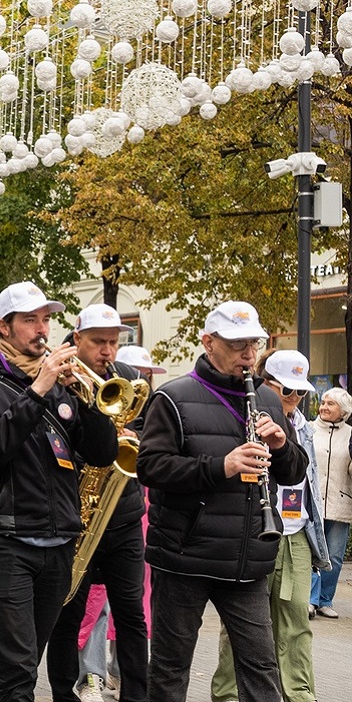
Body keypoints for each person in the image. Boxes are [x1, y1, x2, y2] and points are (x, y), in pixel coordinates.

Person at [137, 301, 306, 702]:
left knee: (261, 668)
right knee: (170, 667)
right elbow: (152, 468)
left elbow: (294, 473)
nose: (248, 354)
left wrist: (281, 448)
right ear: (208, 342)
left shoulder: (266, 399)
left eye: (253, 344)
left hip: (247, 559)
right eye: (237, 345)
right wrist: (220, 467)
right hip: (185, 557)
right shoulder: (173, 397)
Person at [0, 281, 118, 702]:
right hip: (7, 542)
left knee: (19, 670)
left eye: (46, 319)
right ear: (3, 328)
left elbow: (102, 453)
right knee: (20, 668)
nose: (42, 328)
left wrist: (90, 398)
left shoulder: (63, 386)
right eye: (30, 320)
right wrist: (39, 391)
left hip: (59, 543)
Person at [211, 349, 331, 702]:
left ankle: (299, 696)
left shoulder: (303, 427)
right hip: (254, 532)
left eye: (301, 392)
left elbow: (307, 484)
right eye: (286, 390)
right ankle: (228, 696)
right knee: (242, 628)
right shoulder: (243, 418)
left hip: (296, 535)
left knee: (296, 626)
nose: (294, 399)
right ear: (265, 384)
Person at [46, 304, 149, 702]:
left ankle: (135, 695)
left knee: (131, 616)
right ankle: (63, 693)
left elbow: (141, 435)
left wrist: (128, 433)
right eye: (98, 342)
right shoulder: (60, 382)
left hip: (121, 515)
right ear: (77, 341)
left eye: (113, 342)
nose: (107, 351)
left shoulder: (133, 381)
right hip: (78, 514)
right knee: (68, 613)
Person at [311, 386, 352, 618]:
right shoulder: (309, 429)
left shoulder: (350, 435)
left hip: (340, 503)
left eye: (330, 404)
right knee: (309, 552)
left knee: (334, 556)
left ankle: (326, 600)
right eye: (323, 402)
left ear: (343, 411)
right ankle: (310, 599)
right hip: (311, 503)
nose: (324, 407)